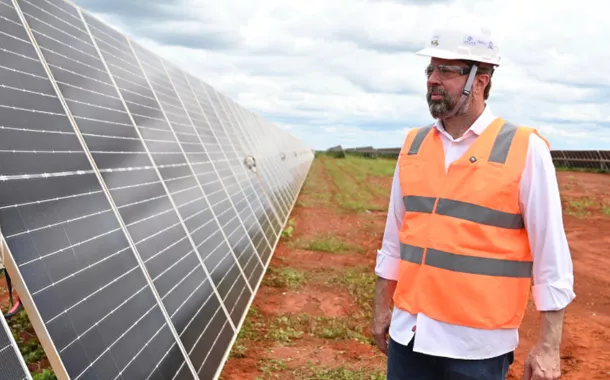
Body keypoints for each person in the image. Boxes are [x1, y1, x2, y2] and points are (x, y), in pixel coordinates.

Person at [371, 20, 575, 380]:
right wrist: (381, 308)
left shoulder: (524, 149)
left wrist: (548, 345)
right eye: (430, 69)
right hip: (409, 336)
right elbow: (394, 239)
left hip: (477, 347)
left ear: (480, 80)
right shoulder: (413, 146)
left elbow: (551, 256)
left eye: (446, 70)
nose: (433, 79)